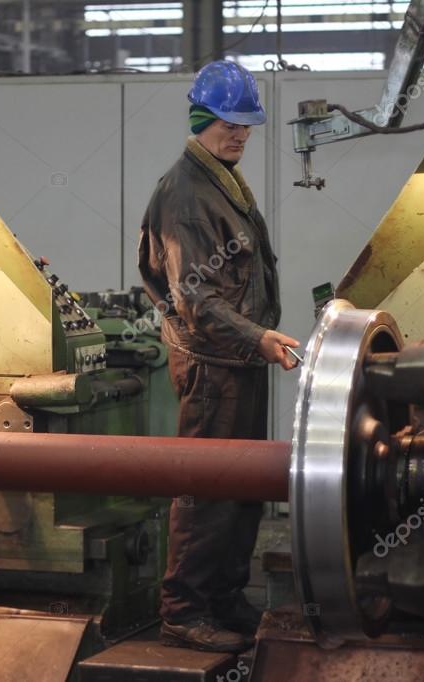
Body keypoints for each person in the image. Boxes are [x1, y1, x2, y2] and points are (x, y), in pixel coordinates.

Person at [137, 60, 301, 654]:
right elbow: (195, 298)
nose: (241, 134)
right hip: (213, 366)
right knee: (204, 492)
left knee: (242, 489)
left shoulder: (223, 181)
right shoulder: (186, 196)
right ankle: (183, 612)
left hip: (239, 360)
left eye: (247, 124)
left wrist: (255, 341)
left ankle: (225, 597)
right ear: (201, 119)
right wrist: (257, 337)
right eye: (230, 123)